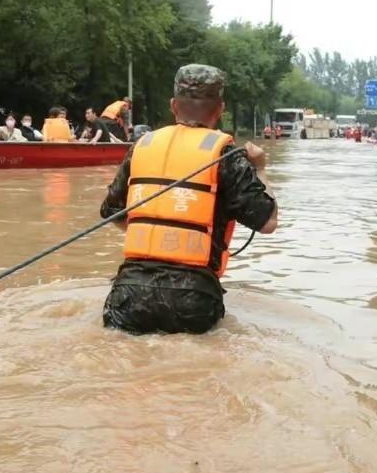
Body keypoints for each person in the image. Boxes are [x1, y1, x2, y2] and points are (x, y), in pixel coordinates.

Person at [99, 64, 279, 335]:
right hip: (193, 299)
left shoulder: (142, 146)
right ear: (220, 109)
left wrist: (158, 234)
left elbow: (111, 210)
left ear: (173, 106)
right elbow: (267, 222)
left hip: (129, 295)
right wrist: (262, 169)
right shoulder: (227, 156)